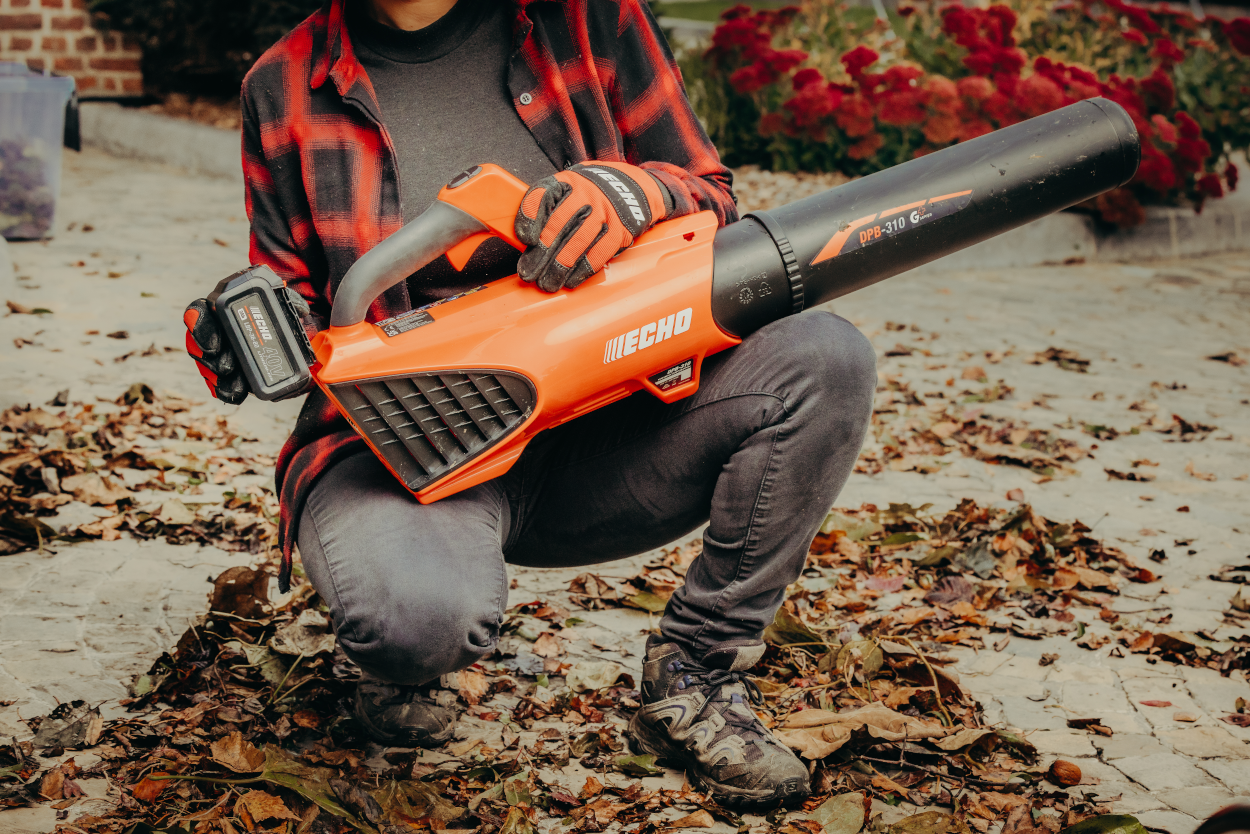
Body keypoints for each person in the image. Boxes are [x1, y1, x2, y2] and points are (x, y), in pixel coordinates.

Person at [182, 0, 877, 808]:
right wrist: (238, 327)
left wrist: (634, 192)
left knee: (822, 358)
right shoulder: (285, 85)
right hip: (410, 453)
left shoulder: (585, 20)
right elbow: (292, 303)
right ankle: (400, 643)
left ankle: (697, 668)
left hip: (609, 421)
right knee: (413, 621)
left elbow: (710, 194)